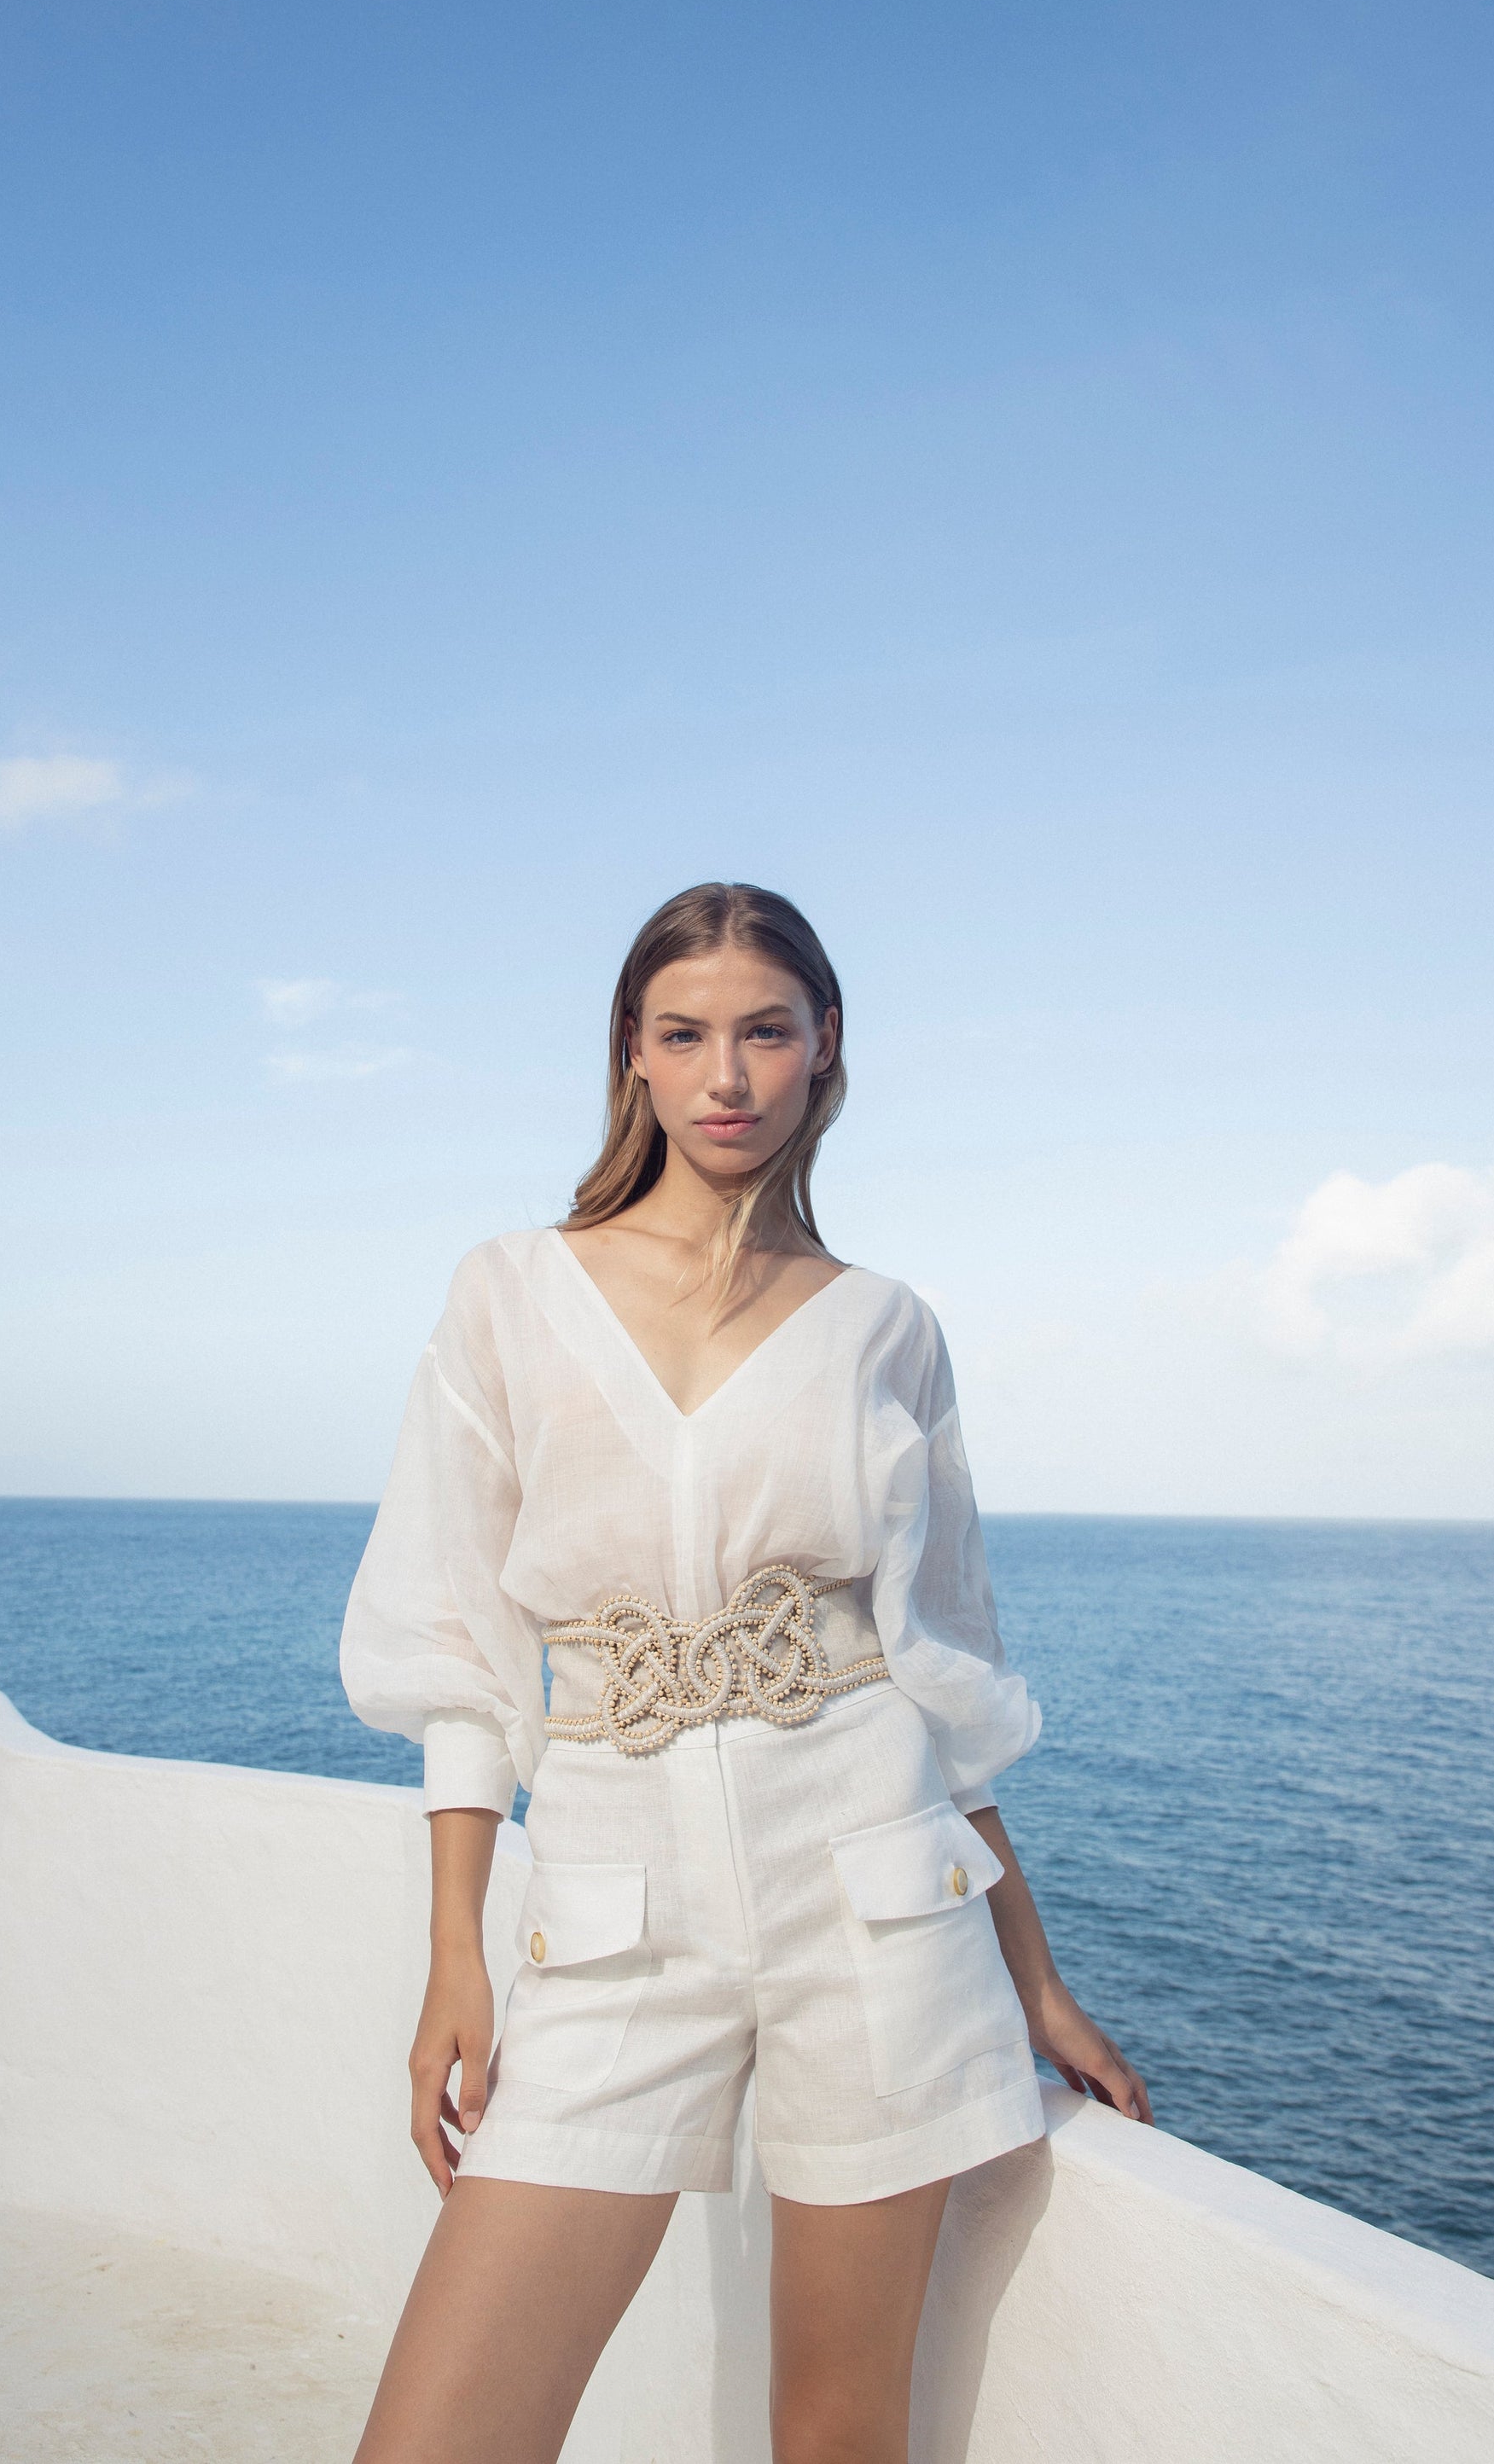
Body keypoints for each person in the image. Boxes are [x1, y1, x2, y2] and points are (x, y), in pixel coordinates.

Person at [340, 880, 1151, 2464]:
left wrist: (1034, 1980)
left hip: (877, 1906)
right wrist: (455, 1955)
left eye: (765, 1032)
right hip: (612, 1918)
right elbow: (456, 1649)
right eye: (684, 1035)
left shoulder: (885, 1328)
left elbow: (939, 1682)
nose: (725, 1076)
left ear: (823, 1044)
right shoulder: (509, 1291)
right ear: (631, 1055)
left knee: (838, 2433)